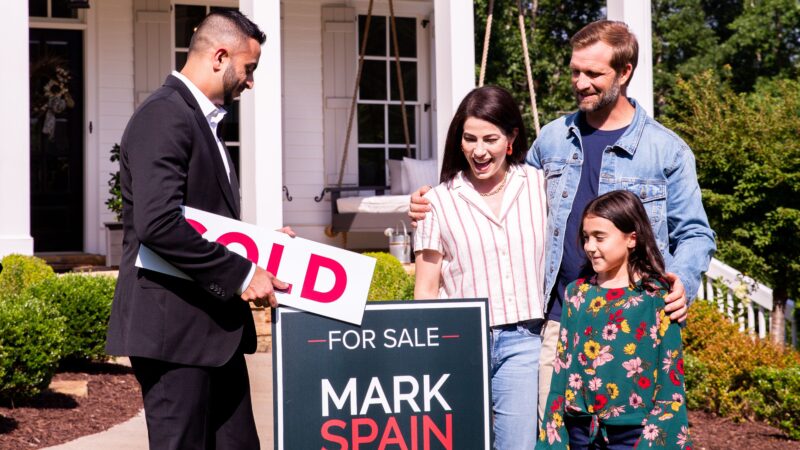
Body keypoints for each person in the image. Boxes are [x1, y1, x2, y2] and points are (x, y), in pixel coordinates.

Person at [409, 20, 716, 425]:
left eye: (593, 73)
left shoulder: (666, 150)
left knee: (633, 433)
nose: (581, 82)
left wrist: (682, 279)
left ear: (624, 73)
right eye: (575, 71)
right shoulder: (553, 140)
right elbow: (500, 186)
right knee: (555, 434)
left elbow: (695, 231)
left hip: (635, 317)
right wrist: (432, 201)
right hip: (559, 320)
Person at [106, 11, 288, 450]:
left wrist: (264, 245)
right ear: (220, 56)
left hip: (211, 332)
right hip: (174, 334)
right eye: (249, 69)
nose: (250, 81)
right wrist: (243, 275)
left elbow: (201, 220)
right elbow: (160, 223)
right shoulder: (164, 116)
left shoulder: (200, 119)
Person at [414, 86, 548, 449]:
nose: (479, 150)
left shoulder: (540, 186)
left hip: (524, 340)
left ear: (511, 138)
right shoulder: (437, 202)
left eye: (490, 138)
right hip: (460, 342)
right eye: (469, 139)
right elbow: (426, 289)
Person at [538, 190, 693, 449]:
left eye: (600, 237)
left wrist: (652, 440)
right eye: (586, 237)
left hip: (636, 435)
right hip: (580, 433)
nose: (589, 247)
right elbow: (561, 371)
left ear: (631, 238)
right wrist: (554, 436)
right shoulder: (577, 294)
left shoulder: (655, 297)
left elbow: (671, 379)